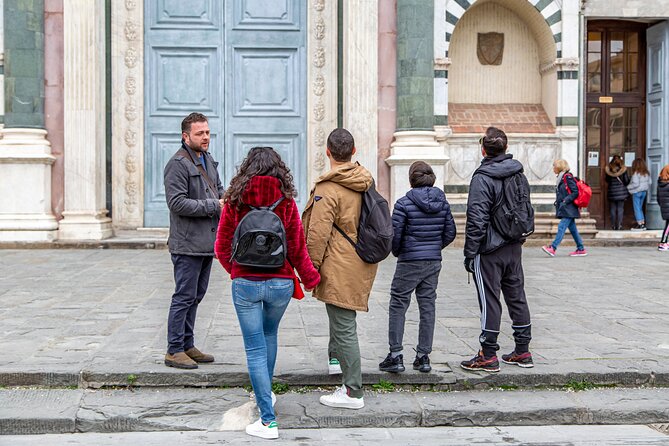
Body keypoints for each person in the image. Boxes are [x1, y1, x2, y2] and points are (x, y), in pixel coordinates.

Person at [215, 147, 320, 440]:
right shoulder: (285, 201)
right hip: (280, 283)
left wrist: (236, 272)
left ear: (246, 168)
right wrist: (310, 278)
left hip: (245, 283)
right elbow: (298, 248)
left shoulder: (235, 200)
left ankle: (268, 420)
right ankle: (266, 393)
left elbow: (222, 247)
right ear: (279, 169)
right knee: (270, 335)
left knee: (254, 348)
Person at [302, 128, 378, 409]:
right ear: (354, 151)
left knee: (344, 325)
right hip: (359, 259)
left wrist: (309, 270)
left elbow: (317, 235)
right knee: (341, 318)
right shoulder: (365, 180)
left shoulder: (328, 188)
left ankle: (352, 391)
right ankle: (336, 362)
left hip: (339, 263)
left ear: (328, 152)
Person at [461, 126, 533, 373]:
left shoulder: (482, 177)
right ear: (506, 148)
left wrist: (470, 252)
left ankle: (488, 353)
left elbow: (476, 218)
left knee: (489, 299)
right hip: (514, 245)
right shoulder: (519, 174)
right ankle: (523, 350)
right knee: (517, 296)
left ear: (483, 150)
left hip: (490, 248)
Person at [378, 161, 456, 374]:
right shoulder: (443, 202)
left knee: (398, 304)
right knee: (427, 305)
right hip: (433, 261)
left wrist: (400, 252)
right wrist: (434, 247)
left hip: (409, 260)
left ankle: (395, 355)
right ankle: (423, 357)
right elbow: (451, 232)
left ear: (412, 179)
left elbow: (395, 235)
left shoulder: (403, 203)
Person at [163, 112, 224, 370]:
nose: (206, 137)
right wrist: (214, 205)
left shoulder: (207, 159)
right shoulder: (177, 164)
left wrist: (225, 199)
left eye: (207, 132)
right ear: (185, 136)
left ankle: (188, 345)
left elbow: (218, 189)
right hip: (186, 244)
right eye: (200, 133)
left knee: (196, 295)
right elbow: (176, 203)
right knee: (184, 296)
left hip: (204, 244)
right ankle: (174, 349)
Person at [541, 159, 587, 257]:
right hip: (567, 208)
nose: (553, 168)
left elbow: (575, 192)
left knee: (561, 227)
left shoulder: (567, 177)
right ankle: (581, 249)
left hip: (569, 208)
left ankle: (553, 248)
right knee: (573, 229)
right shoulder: (561, 178)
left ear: (559, 167)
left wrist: (565, 201)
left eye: (554, 166)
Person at [605, 155, 630, 230]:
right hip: (621, 192)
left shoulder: (609, 169)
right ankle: (619, 225)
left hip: (612, 191)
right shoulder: (623, 169)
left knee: (612, 208)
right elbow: (626, 181)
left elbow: (607, 180)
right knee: (620, 208)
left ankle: (613, 225)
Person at [627, 158, 652, 231]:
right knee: (640, 208)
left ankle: (640, 224)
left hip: (637, 192)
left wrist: (628, 187)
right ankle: (642, 223)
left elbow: (635, 184)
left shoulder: (636, 173)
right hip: (644, 192)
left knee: (637, 208)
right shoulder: (647, 173)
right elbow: (650, 182)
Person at [657, 164, 669, 251]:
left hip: (665, 208)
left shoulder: (660, 184)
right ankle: (663, 243)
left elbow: (658, 199)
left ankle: (664, 242)